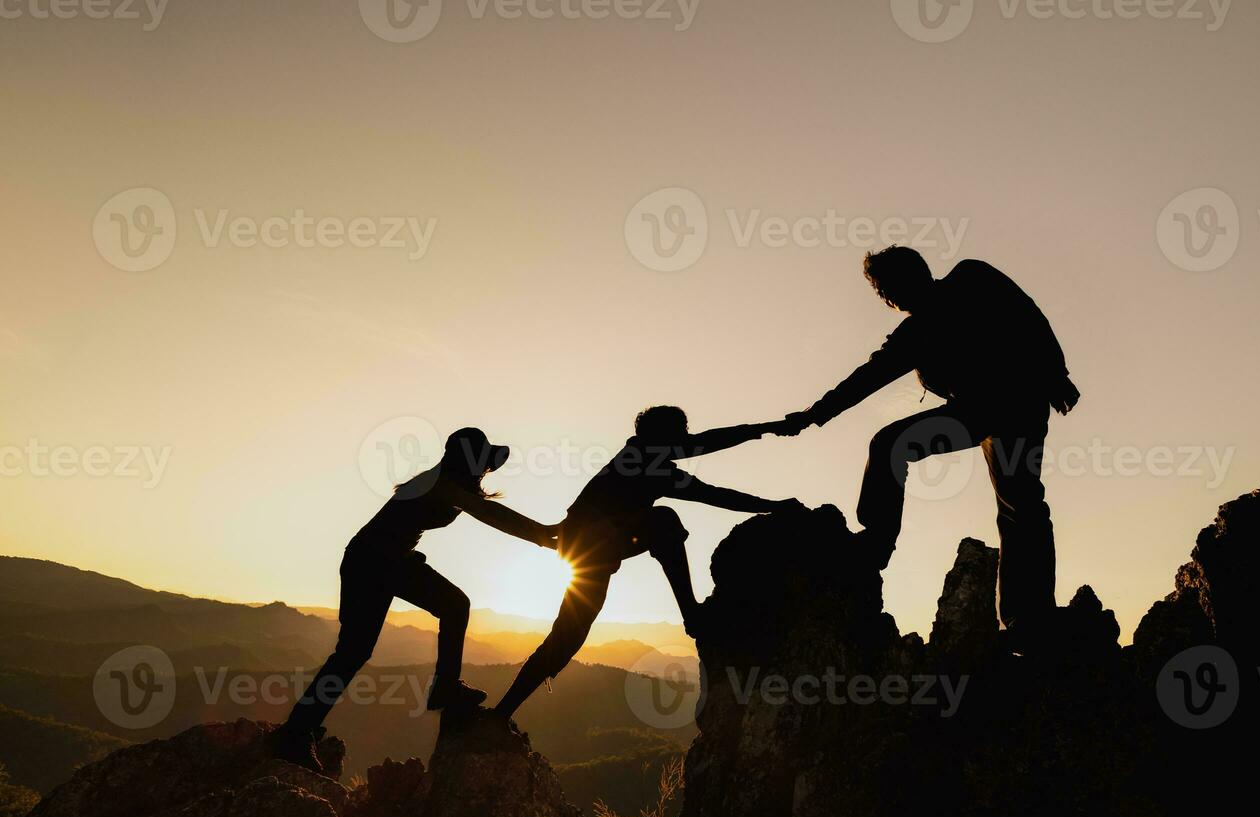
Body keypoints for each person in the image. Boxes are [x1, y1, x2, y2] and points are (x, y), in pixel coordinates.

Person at [779, 246, 1080, 639]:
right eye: (887, 291)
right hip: (983, 413)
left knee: (1017, 504)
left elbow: (1027, 315)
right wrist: (813, 414)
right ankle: (879, 546)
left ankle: (1028, 618)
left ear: (911, 279)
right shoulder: (915, 333)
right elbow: (867, 378)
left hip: (1014, 406)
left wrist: (1055, 375)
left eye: (891, 288)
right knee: (899, 448)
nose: (891, 297)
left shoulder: (970, 279)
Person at [272, 427, 557, 771]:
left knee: (359, 649)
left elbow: (486, 512)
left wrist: (549, 533)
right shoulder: (445, 484)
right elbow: (491, 515)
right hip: (376, 561)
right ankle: (297, 732)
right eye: (482, 464)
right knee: (358, 649)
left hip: (385, 559)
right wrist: (546, 536)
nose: (485, 473)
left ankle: (299, 729)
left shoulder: (442, 481)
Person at [492, 406, 803, 719]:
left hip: (587, 550)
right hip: (591, 548)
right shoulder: (646, 463)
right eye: (679, 434)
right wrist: (772, 504)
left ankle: (501, 712)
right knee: (663, 522)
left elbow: (706, 448)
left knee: (567, 637)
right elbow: (712, 489)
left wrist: (764, 428)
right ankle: (691, 613)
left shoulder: (639, 456)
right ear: (664, 436)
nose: (685, 441)